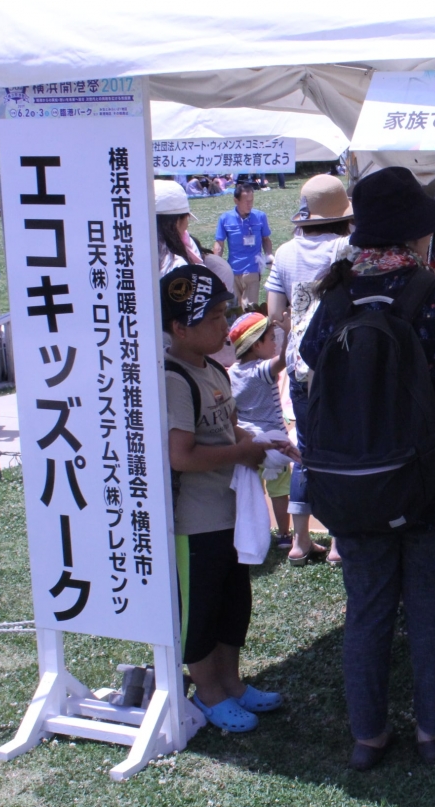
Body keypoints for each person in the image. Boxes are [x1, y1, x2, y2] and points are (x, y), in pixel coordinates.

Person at [299, 166, 435, 770]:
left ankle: (368, 736)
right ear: (415, 234)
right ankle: (432, 734)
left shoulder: (334, 298)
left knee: (367, 609)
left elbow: (311, 381)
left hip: (355, 481)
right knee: (432, 610)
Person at [161, 265, 292, 733]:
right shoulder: (174, 379)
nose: (224, 326)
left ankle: (232, 683)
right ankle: (209, 692)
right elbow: (181, 455)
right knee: (201, 610)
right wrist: (242, 452)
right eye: (213, 318)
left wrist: (264, 443)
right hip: (195, 522)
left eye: (223, 314)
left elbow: (229, 427)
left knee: (234, 602)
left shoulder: (214, 368)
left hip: (230, 511)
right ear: (179, 328)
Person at [267, 174, 353, 567]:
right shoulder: (345, 247)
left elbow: (274, 313)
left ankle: (300, 541)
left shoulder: (285, 252)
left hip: (298, 364)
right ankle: (337, 541)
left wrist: (297, 323)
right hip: (340, 365)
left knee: (305, 449)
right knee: (341, 448)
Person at [226, 311, 298, 558]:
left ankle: (247, 532)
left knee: (248, 490)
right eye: (271, 338)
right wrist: (289, 332)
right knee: (279, 489)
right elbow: (284, 360)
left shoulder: (232, 373)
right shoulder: (260, 370)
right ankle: (284, 535)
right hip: (273, 442)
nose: (275, 343)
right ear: (256, 345)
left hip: (247, 441)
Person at [215, 183, 273, 310]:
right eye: (246, 201)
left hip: (252, 270)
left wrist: (268, 256)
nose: (249, 204)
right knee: (233, 310)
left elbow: (266, 239)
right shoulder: (225, 219)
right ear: (236, 201)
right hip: (232, 271)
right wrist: (216, 266)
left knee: (249, 310)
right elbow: (219, 244)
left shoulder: (260, 216)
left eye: (251, 200)